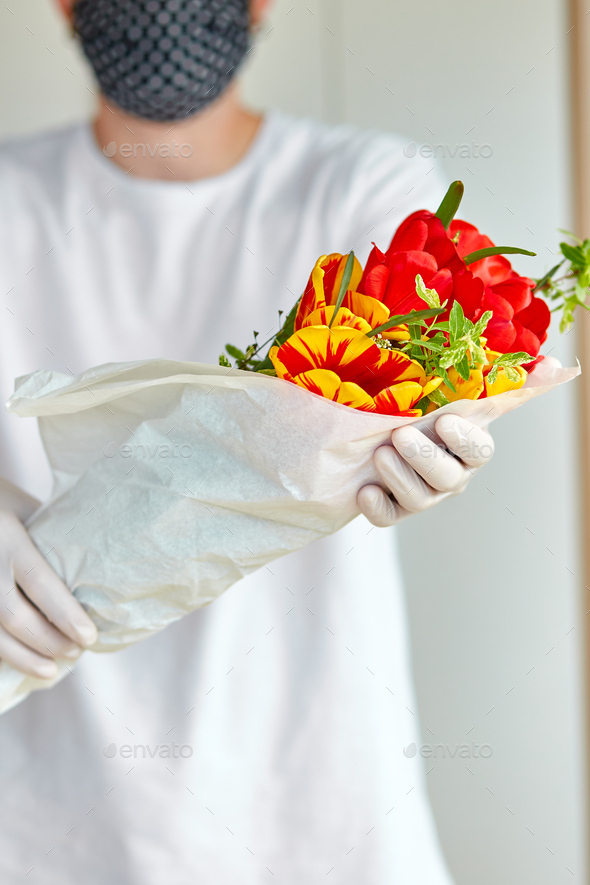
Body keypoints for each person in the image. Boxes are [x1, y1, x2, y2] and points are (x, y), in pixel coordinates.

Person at [0, 1, 496, 882]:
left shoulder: (365, 187)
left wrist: (437, 441)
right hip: (51, 806)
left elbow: (428, 378)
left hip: (315, 785)